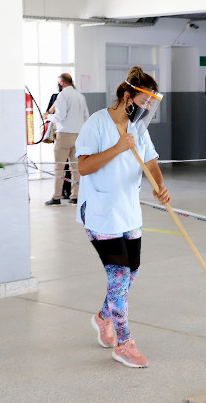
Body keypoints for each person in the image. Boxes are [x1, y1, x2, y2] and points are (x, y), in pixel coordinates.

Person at [75, 66, 170, 368]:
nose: (147, 110)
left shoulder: (138, 128)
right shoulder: (97, 124)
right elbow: (84, 167)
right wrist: (117, 148)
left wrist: (159, 185)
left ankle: (103, 317)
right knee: (119, 278)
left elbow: (151, 160)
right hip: (101, 214)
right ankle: (125, 343)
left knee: (132, 274)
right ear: (128, 97)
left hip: (129, 212)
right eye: (144, 103)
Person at [43, 73, 89, 205]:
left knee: (59, 167)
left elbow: (60, 117)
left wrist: (47, 116)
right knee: (75, 168)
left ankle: (56, 197)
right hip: (79, 135)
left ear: (62, 82)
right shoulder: (80, 96)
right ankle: (75, 196)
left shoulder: (62, 95)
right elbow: (86, 117)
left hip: (64, 135)